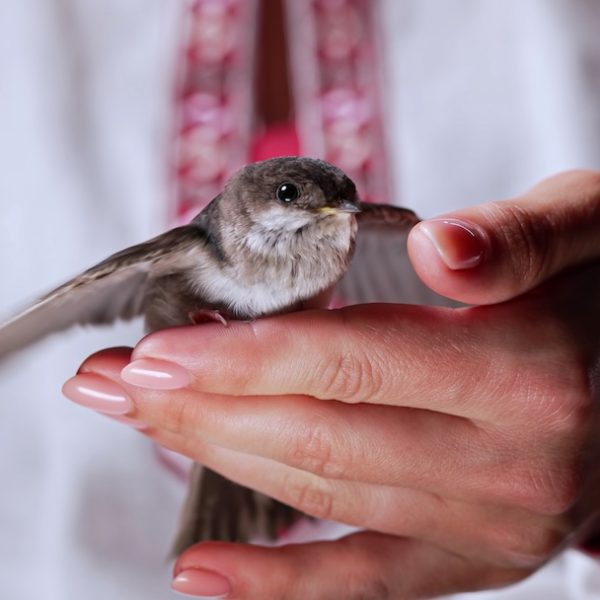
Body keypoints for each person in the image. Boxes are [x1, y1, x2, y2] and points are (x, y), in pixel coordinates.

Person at [2, 1, 599, 599]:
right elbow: (75, 290)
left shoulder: (348, 227)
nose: (332, 213)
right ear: (257, 201)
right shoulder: (197, 247)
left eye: (342, 203)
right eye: (293, 196)